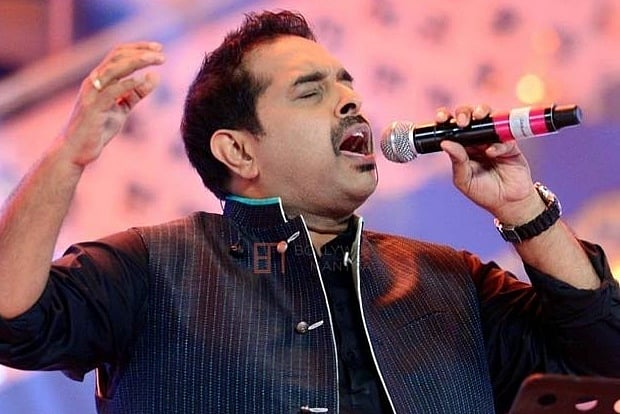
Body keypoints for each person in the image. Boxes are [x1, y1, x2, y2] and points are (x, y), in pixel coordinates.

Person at [0, 9, 618, 414]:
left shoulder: (450, 280)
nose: (350, 103)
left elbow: (603, 359)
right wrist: (68, 156)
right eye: (311, 92)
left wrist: (522, 208)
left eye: (347, 85)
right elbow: (14, 319)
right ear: (240, 150)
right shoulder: (151, 266)